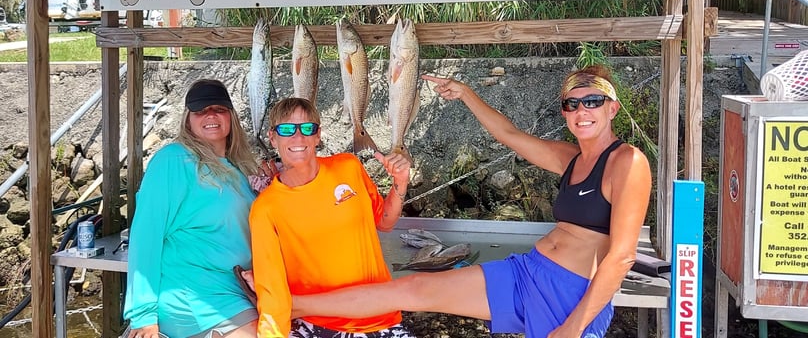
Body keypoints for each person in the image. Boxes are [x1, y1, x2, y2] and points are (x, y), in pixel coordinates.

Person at [290, 65, 653, 338]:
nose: (581, 111)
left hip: (571, 295)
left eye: (592, 101)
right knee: (412, 289)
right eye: (572, 104)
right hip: (528, 272)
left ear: (612, 108)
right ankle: (291, 304)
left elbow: (621, 256)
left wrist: (572, 328)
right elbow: (509, 134)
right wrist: (465, 93)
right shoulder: (570, 157)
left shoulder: (627, 162)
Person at [248, 97, 415, 338]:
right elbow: (271, 292)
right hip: (316, 325)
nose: (298, 137)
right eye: (286, 129)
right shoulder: (265, 208)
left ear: (318, 136)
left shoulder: (348, 167)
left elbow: (384, 222)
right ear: (273, 138)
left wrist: (400, 182)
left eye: (307, 128)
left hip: (380, 316)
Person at [123, 79, 262, 338]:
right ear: (188, 120)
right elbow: (145, 235)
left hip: (238, 288)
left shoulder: (241, 168)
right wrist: (142, 314)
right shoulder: (173, 160)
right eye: (200, 110)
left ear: (231, 116)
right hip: (194, 297)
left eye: (219, 108)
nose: (210, 115)